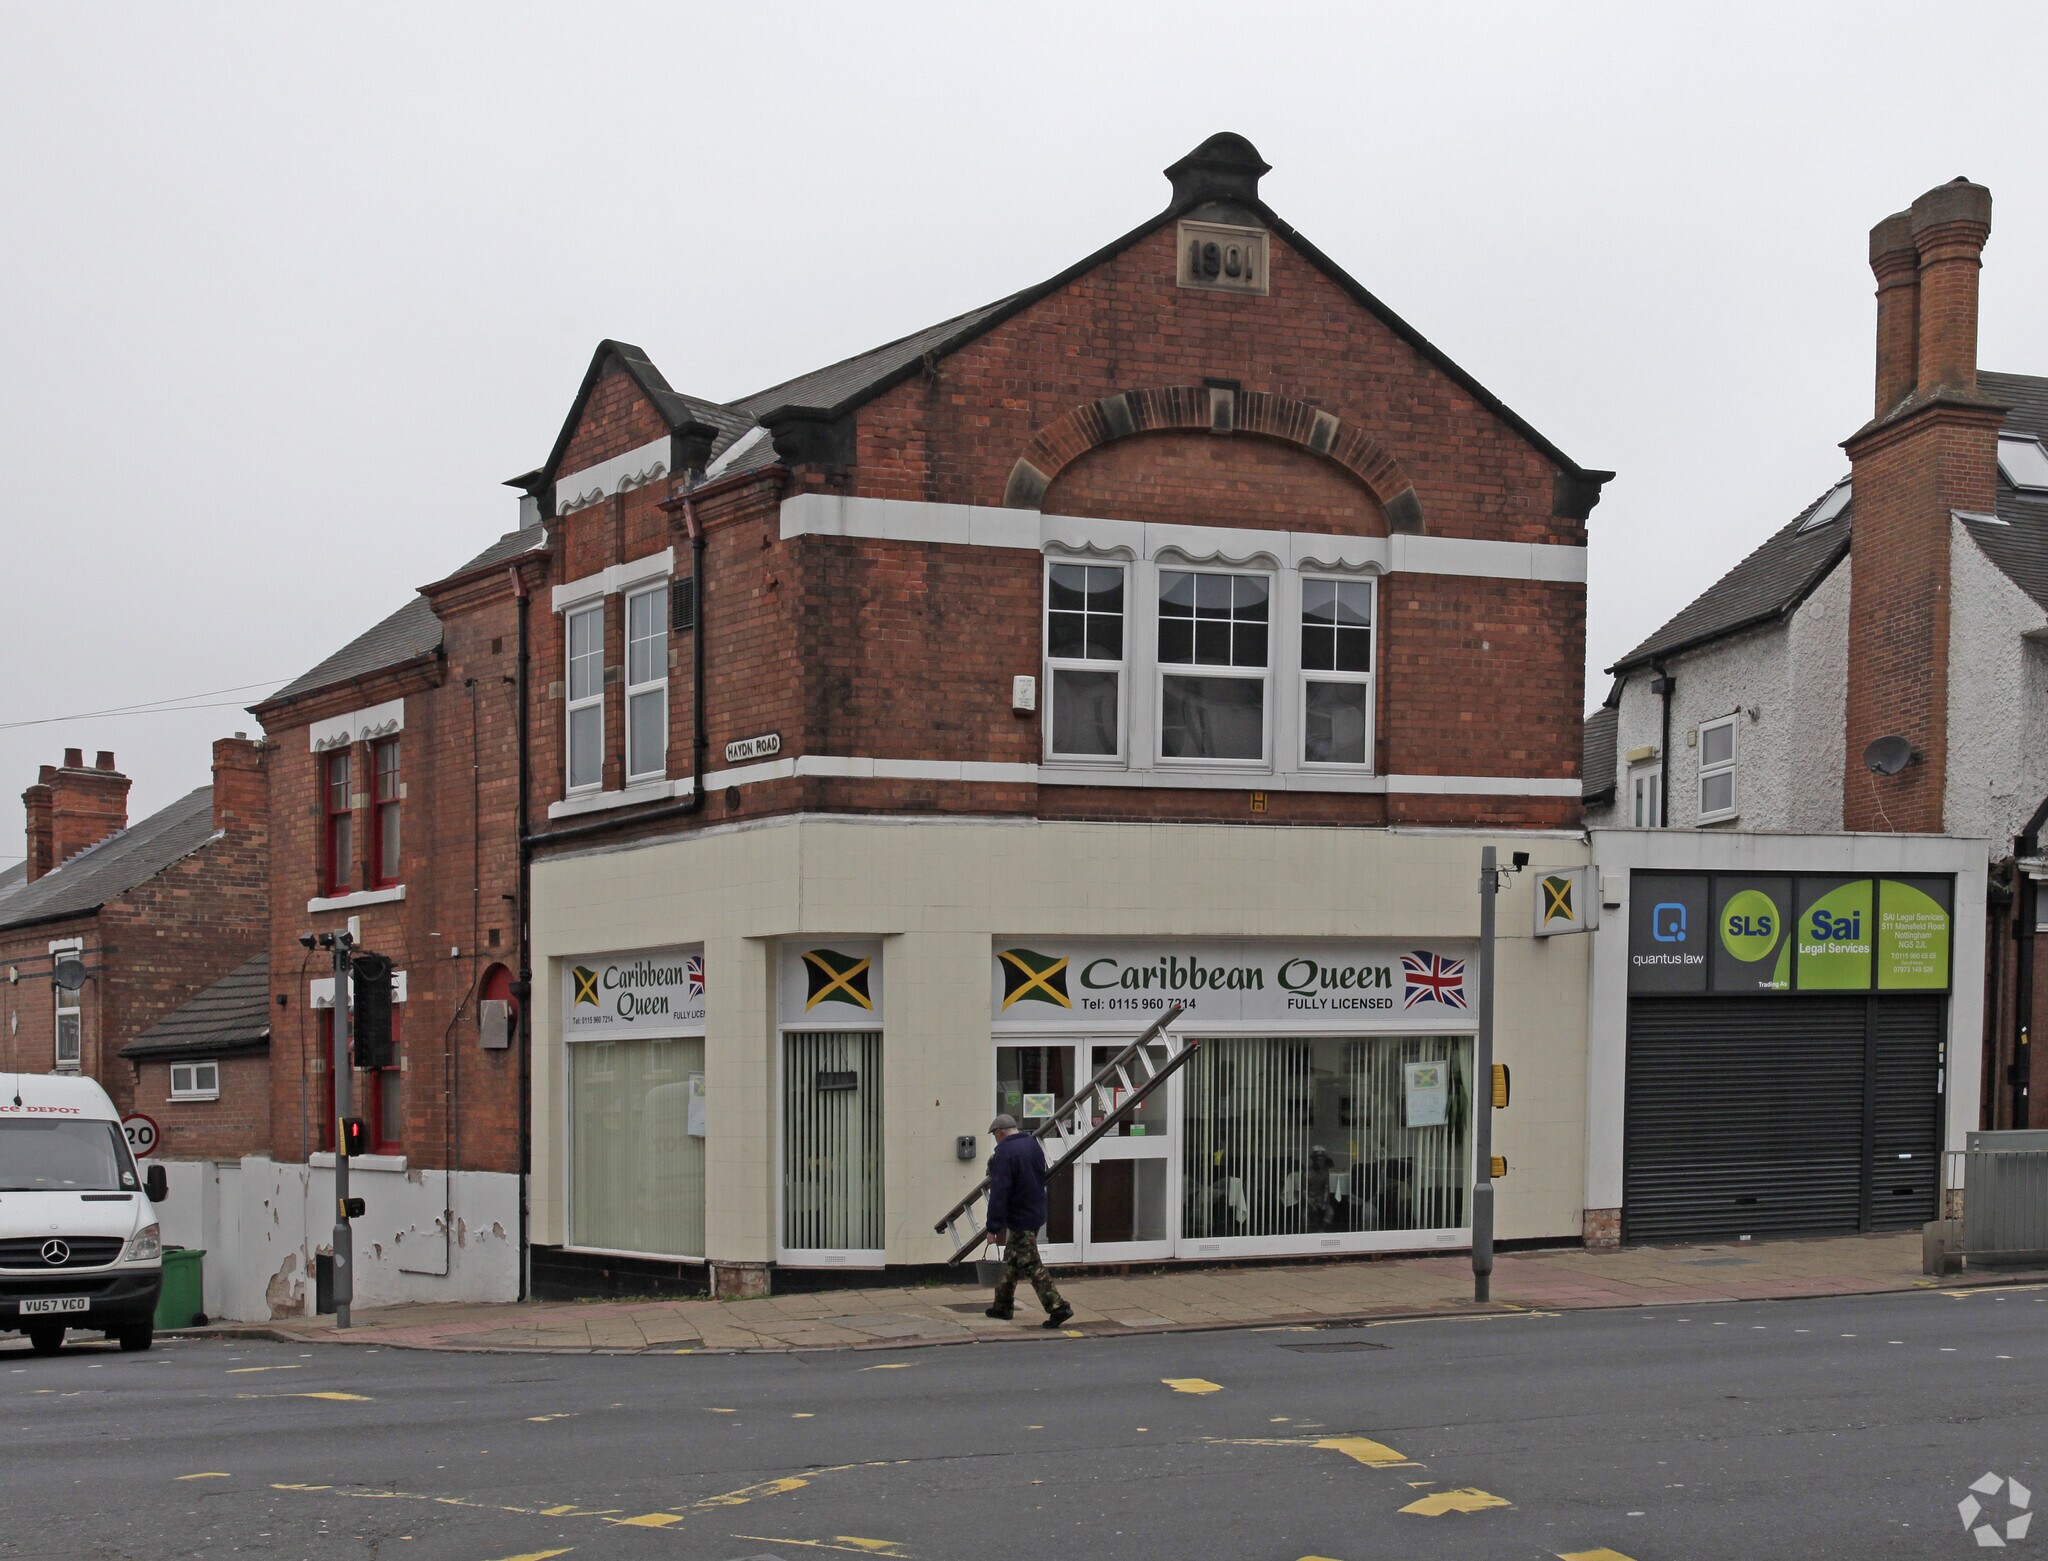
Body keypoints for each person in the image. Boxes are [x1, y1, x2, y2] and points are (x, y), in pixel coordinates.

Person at [983, 1114, 1074, 1328]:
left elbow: (999, 1191)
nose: (996, 1139)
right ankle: (1002, 1306)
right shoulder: (1032, 1144)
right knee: (1011, 1261)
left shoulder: (1004, 1152)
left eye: (995, 1135)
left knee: (1032, 1264)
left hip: (1019, 1216)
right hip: (1035, 1211)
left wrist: (993, 1226)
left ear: (1000, 1132)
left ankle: (1058, 1307)